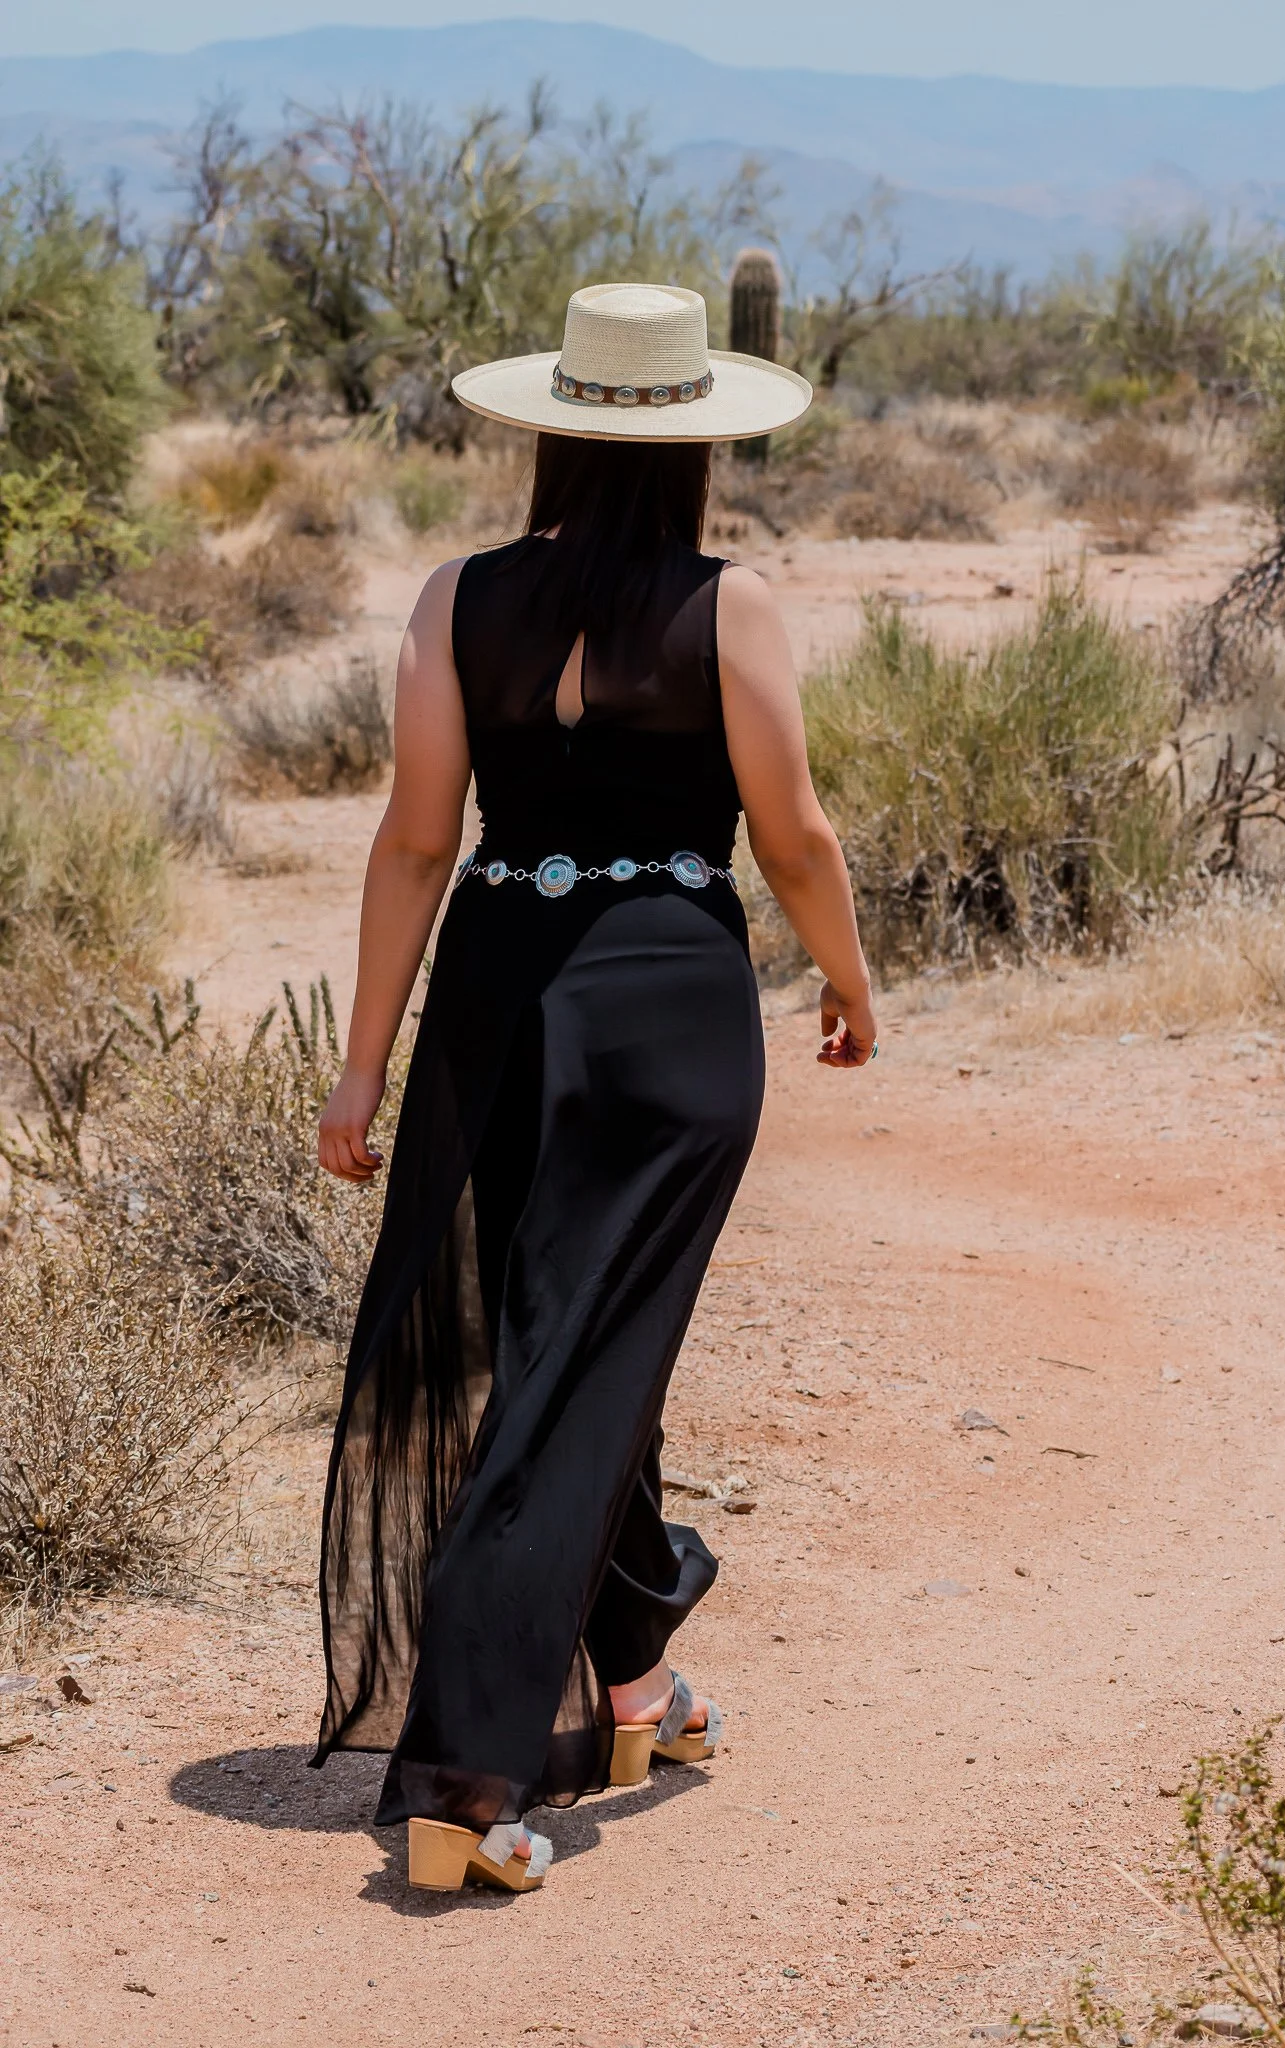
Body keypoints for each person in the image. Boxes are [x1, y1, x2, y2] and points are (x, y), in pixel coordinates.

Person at [311, 282, 877, 1894]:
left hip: (496, 1001)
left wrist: (362, 1064)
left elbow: (417, 839)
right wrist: (849, 977)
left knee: (574, 1340)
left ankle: (637, 1686)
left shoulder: (457, 598)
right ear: (696, 445)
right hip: (669, 1018)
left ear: (553, 432)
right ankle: (466, 1774)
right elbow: (796, 836)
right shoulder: (728, 604)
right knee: (581, 1357)